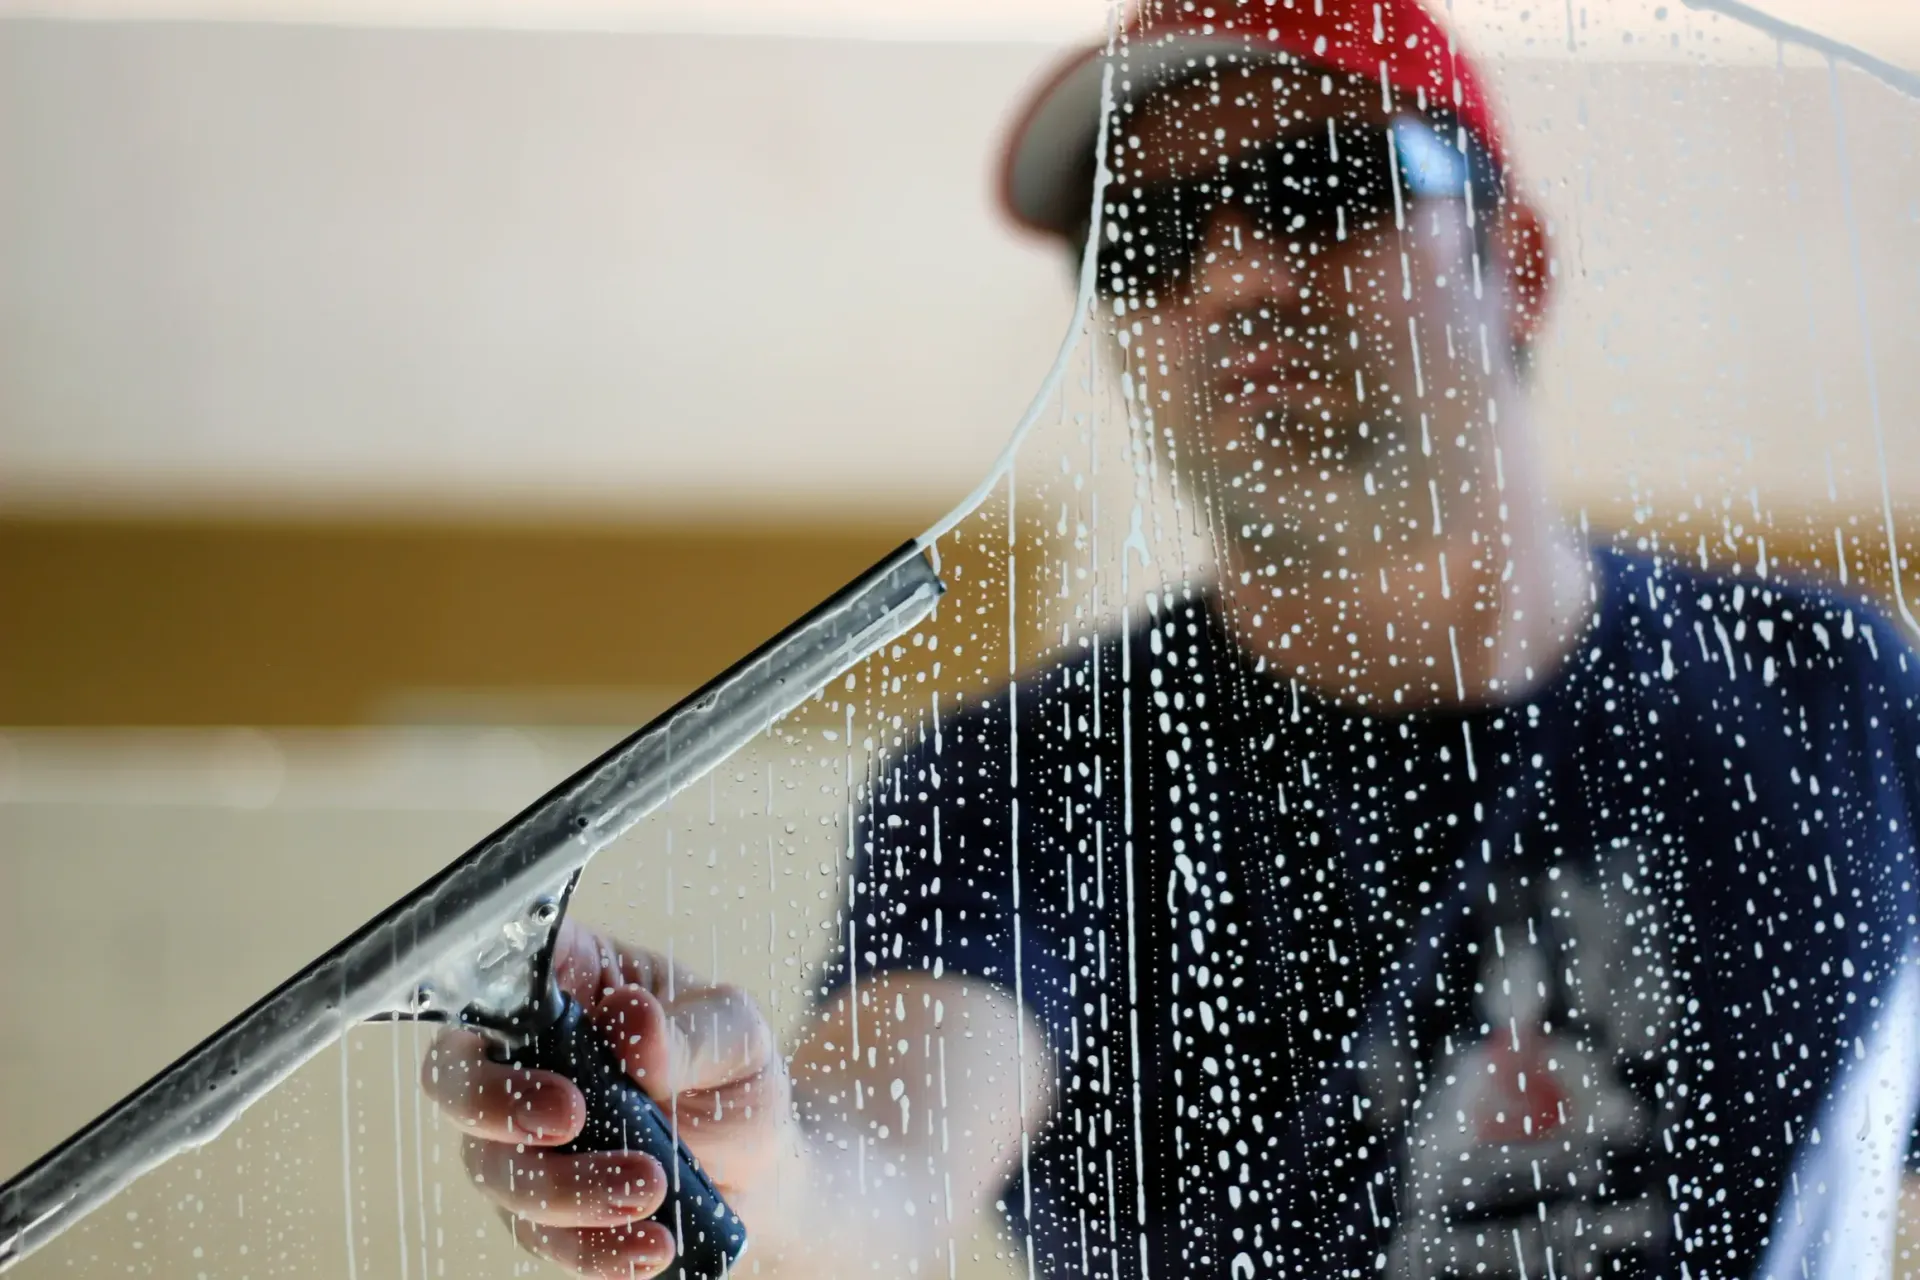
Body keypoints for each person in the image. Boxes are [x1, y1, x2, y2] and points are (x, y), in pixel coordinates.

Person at [421, 2, 1920, 1276]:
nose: (1230, 277)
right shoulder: (1019, 781)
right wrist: (737, 1140)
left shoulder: (1838, 694)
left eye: (1322, 185)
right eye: (1143, 237)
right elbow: (880, 1157)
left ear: (1511, 260)